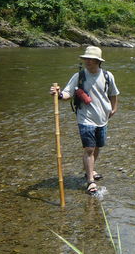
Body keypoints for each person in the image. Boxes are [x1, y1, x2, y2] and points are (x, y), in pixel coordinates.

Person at [50, 46, 120, 194]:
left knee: (97, 146)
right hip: (85, 117)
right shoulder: (79, 76)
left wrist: (114, 109)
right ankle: (90, 181)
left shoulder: (108, 76)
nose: (87, 61)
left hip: (103, 117)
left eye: (91, 59)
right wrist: (59, 94)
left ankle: (90, 170)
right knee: (89, 148)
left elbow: (113, 93)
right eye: (86, 59)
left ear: (98, 61)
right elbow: (67, 93)